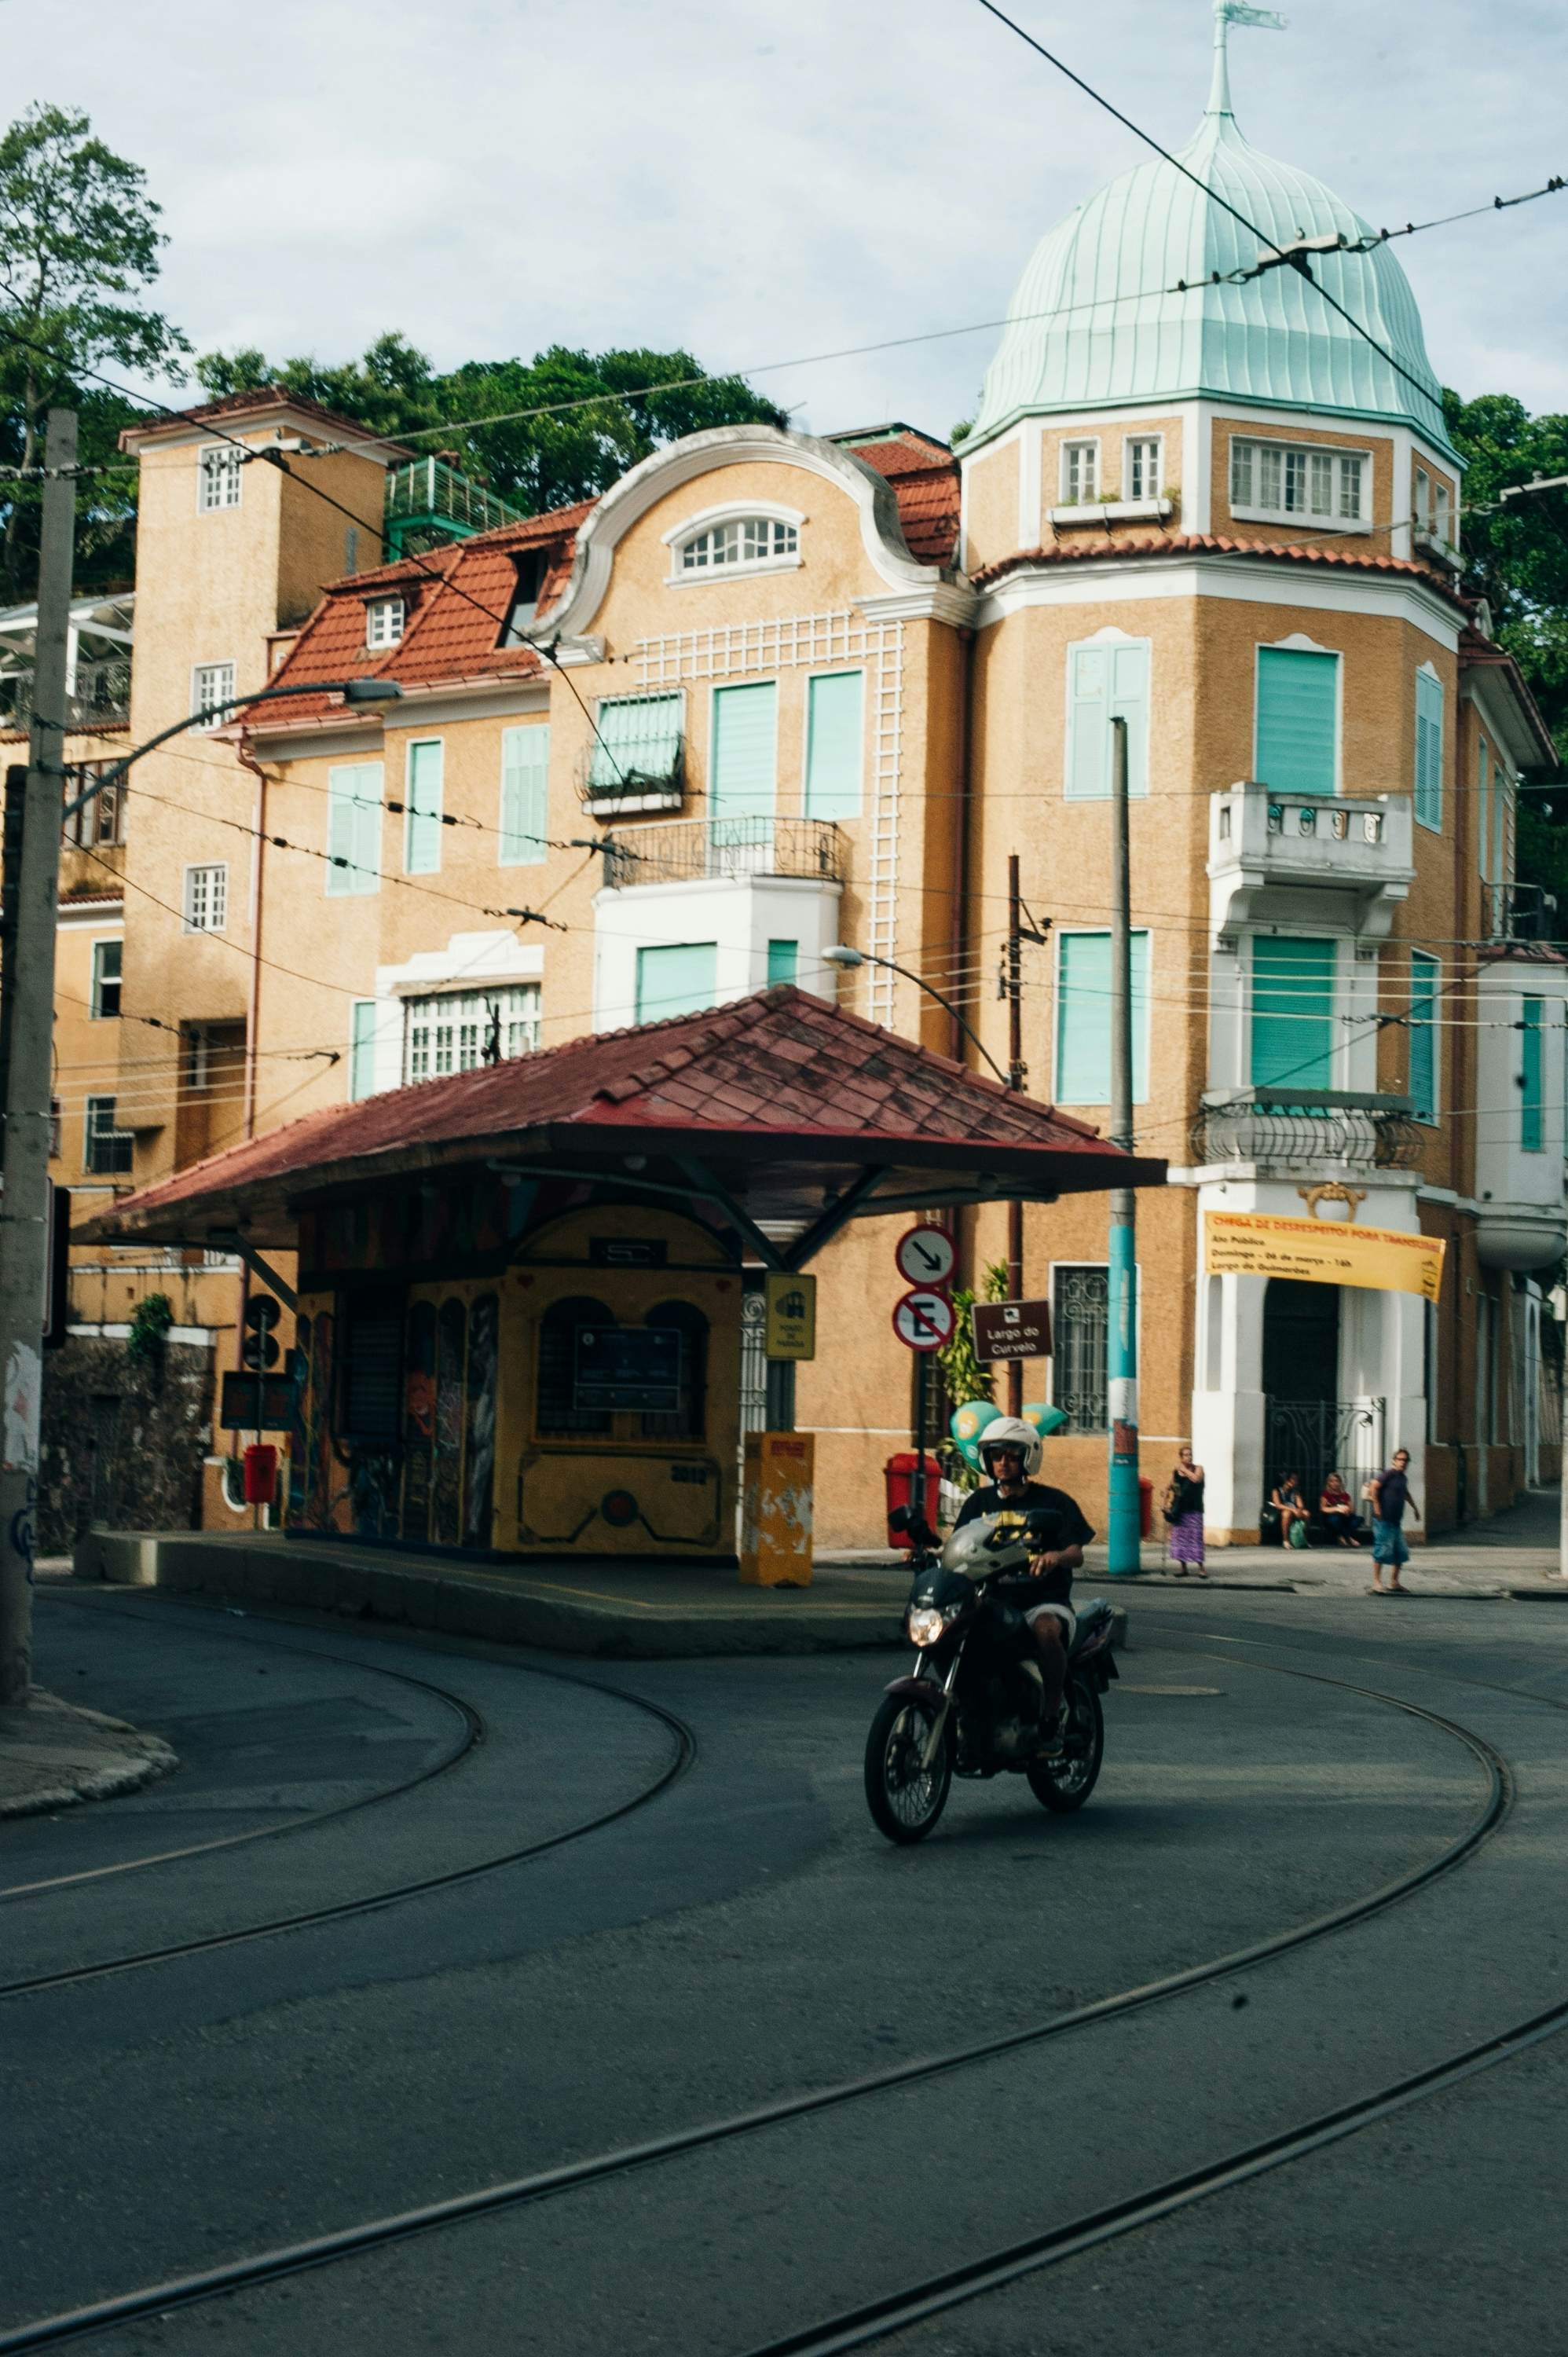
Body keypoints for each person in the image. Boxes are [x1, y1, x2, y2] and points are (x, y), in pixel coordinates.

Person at [954, 1417, 1094, 1750]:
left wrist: (1055, 1557)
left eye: (1012, 1455)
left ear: (1028, 1457)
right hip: (991, 1601)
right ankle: (966, 1711)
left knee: (1046, 1630)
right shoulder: (978, 1503)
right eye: (996, 1455)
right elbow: (957, 1546)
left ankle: (1049, 1720)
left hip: (1042, 1600)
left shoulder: (1054, 1502)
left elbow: (1076, 1553)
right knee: (950, 1631)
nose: (1003, 1462)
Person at [1369, 1447, 1417, 1593]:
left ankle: (1394, 1582)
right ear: (1394, 1461)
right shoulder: (1388, 1475)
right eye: (1400, 1459)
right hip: (1383, 1520)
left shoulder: (1403, 1478)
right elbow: (1374, 1487)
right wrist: (1377, 1507)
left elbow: (1406, 1494)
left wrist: (1415, 1509)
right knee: (1382, 1550)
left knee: (1400, 1552)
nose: (1403, 1462)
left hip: (1396, 1521)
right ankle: (1376, 1582)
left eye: (1405, 1460)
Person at [1164, 1445, 1207, 1577]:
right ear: (1181, 1457)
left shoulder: (1198, 1469)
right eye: (1186, 1455)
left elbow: (1196, 1479)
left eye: (1190, 1454)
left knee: (1196, 1539)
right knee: (1180, 1540)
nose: (1189, 1457)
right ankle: (1183, 1569)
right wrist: (1165, 1503)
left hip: (1195, 1509)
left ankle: (1202, 1569)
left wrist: (1184, 1470)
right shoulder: (1176, 1473)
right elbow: (1169, 1487)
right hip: (1180, 1510)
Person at [1318, 1471, 1366, 1548]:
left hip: (1345, 1517)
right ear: (1329, 1483)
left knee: (1359, 1519)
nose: (1335, 1483)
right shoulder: (1326, 1494)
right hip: (1332, 1517)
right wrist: (1337, 1509)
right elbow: (1323, 1508)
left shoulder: (1345, 1495)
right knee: (1334, 1520)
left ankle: (1341, 1536)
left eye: (1337, 1481)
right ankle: (1349, 1539)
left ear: (1340, 1483)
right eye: (1332, 1481)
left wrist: (1347, 1510)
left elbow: (1352, 1509)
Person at [1270, 1471, 1310, 1548]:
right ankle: (1286, 1541)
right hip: (1281, 1513)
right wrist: (1292, 1510)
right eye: (1293, 1479)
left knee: (1307, 1513)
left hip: (1294, 1512)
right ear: (1287, 1481)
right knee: (1287, 1513)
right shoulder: (1276, 1490)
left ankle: (1304, 1540)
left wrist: (1299, 1510)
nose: (1295, 1482)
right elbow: (1278, 1505)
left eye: (1296, 1480)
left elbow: (1300, 1505)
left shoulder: (1295, 1491)